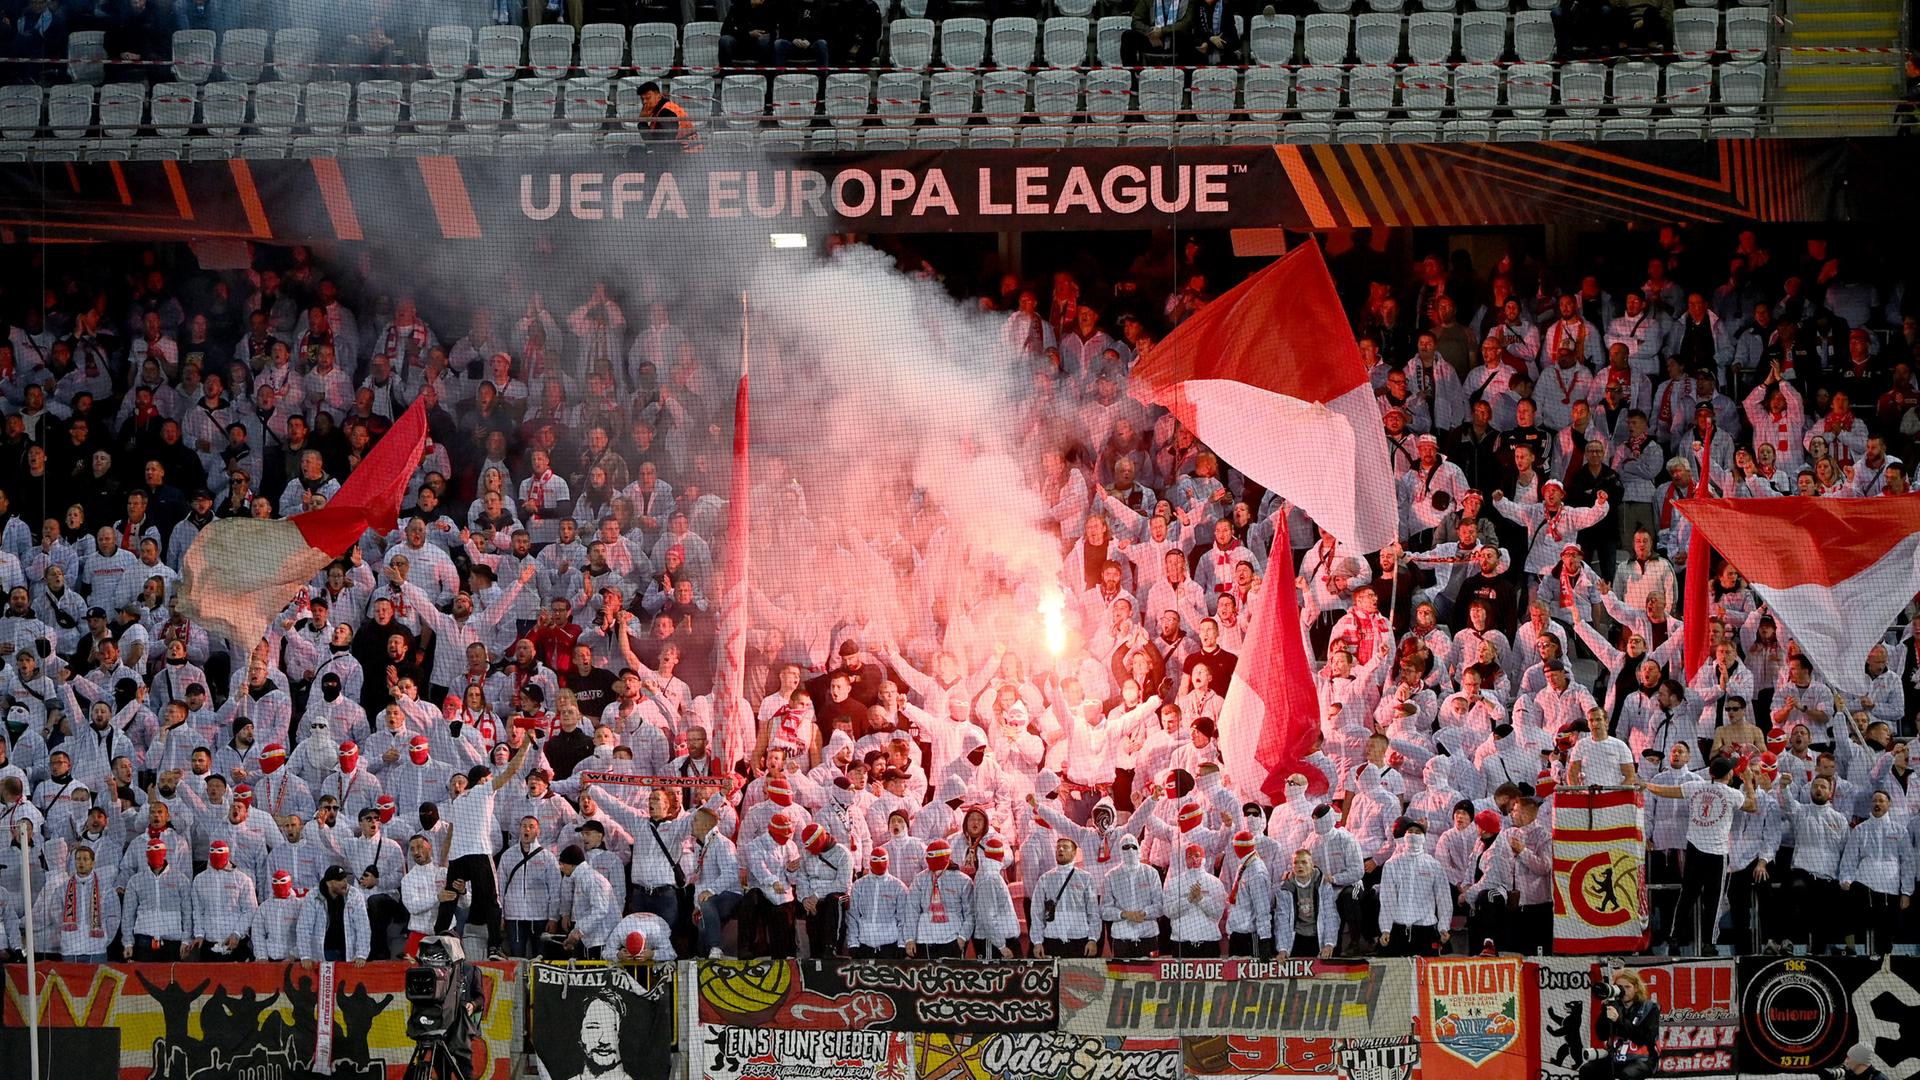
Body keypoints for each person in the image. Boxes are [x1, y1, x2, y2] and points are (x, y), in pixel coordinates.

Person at [1639, 758, 1759, 955]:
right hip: (1717, 855)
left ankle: (1674, 938)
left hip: (1694, 851)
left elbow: (1666, 791)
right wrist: (1747, 781)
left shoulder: (1695, 787)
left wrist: (1647, 785)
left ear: (1711, 773)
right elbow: (1753, 806)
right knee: (1712, 902)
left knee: (1686, 897)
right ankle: (1708, 944)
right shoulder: (1731, 794)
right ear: (1729, 775)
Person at [1580, 969, 1660, 1080]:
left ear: (1636, 988)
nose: (1623, 991)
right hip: (1616, 1057)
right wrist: (1605, 1012)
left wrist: (1618, 1020)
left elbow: (1644, 1038)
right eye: (1620, 987)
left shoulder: (1649, 1008)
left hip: (1642, 1058)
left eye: (1627, 987)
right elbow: (1602, 1035)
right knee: (1587, 1070)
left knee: (1627, 1074)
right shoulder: (1615, 1005)